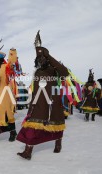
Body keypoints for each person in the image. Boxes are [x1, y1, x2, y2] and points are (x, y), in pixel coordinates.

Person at [16, 31, 69, 160]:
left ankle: (58, 142)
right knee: (32, 126)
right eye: (38, 59)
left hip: (52, 102)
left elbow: (65, 72)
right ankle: (28, 151)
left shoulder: (53, 69)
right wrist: (31, 102)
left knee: (55, 123)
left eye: (43, 58)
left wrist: (49, 56)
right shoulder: (37, 71)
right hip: (38, 103)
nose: (41, 61)